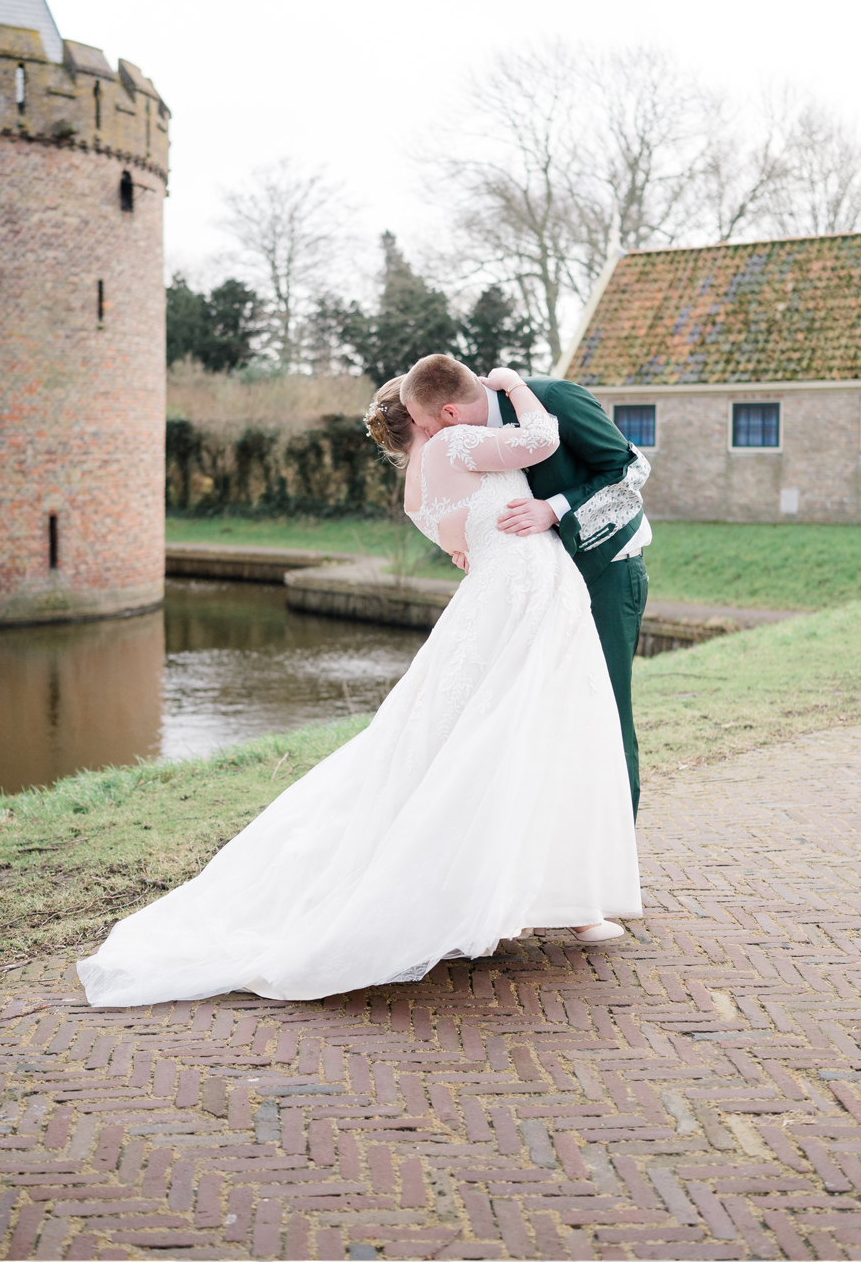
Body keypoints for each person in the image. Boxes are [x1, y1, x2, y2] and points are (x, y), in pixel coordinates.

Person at [75, 367, 640, 1008]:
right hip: (525, 597)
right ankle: (551, 899)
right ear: (431, 418)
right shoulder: (457, 443)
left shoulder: (417, 489)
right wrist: (512, 384)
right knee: (531, 731)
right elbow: (540, 441)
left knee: (485, 738)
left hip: (493, 604)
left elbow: (464, 543)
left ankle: (522, 892)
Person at [400, 353, 652, 814]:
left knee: (603, 708)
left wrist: (554, 509)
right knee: (543, 712)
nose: (428, 436)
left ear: (450, 412)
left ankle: (616, 833)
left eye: (426, 425)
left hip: (606, 571)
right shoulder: (467, 441)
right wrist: (473, 542)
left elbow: (629, 470)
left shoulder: (554, 398)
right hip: (538, 588)